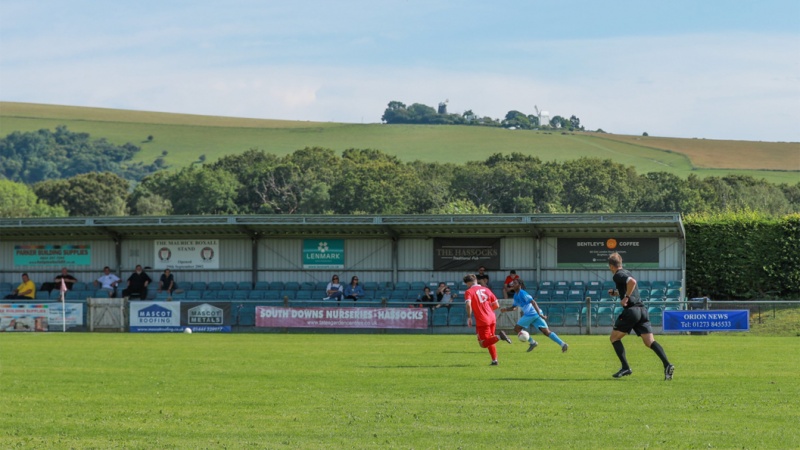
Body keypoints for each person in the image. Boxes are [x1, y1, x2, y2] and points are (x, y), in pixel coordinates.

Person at [607, 252, 675, 380]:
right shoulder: (627, 272)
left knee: (614, 338)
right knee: (650, 342)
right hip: (642, 310)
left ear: (611, 266)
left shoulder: (617, 275)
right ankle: (667, 365)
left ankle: (625, 367)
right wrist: (617, 293)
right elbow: (630, 285)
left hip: (631, 311)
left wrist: (625, 298)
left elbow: (632, 282)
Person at [500, 280, 568, 353]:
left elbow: (533, 302)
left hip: (531, 314)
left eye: (515, 283)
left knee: (517, 328)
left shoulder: (523, 293)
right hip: (534, 314)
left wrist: (540, 314)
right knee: (546, 332)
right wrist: (506, 309)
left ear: (520, 285)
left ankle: (532, 342)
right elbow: (514, 307)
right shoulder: (516, 295)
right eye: (513, 283)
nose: (513, 284)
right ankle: (563, 344)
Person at [464, 273, 511, 366]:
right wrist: (488, 310)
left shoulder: (469, 291)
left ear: (468, 283)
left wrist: (469, 317)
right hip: (492, 317)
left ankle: (500, 336)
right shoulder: (486, 289)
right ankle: (495, 361)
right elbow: (496, 305)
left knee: (483, 344)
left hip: (482, 320)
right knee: (490, 339)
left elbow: (468, 304)